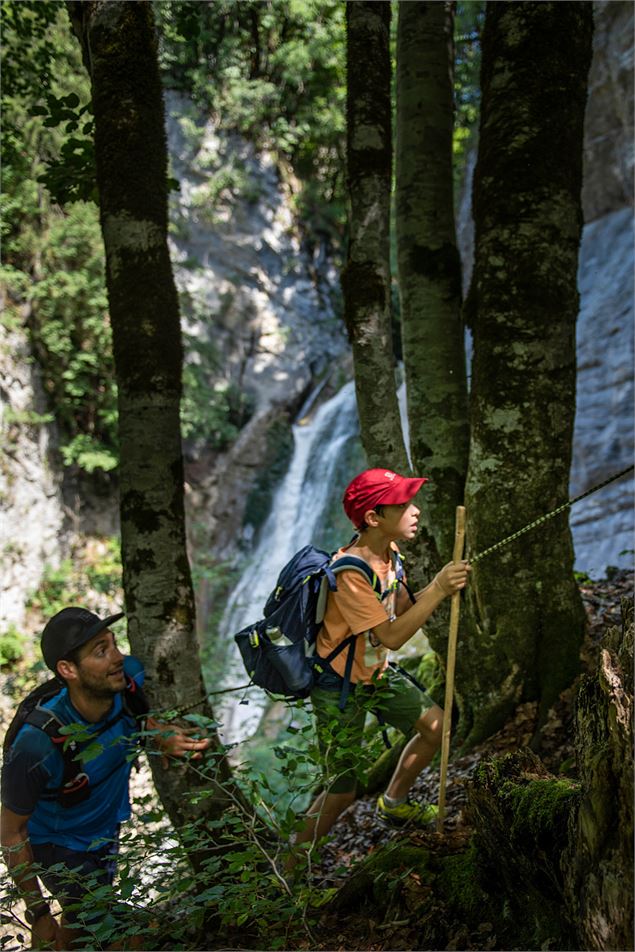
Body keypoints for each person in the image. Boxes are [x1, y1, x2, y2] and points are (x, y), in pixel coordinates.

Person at [1, 607, 211, 950]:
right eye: (101, 651)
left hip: (105, 832)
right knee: (127, 940)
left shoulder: (127, 678)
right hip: (59, 846)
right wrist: (38, 913)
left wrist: (158, 733)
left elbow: (137, 715)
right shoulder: (36, 745)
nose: (118, 658)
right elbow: (10, 830)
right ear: (68, 670)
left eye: (114, 644)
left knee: (76, 923)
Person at [294, 468, 470, 851]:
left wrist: (441, 586)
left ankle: (393, 804)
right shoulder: (350, 572)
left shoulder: (390, 555)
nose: (416, 510)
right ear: (374, 519)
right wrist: (439, 588)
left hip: (375, 673)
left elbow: (402, 609)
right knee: (341, 792)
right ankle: (288, 874)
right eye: (404, 504)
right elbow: (390, 635)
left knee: (437, 727)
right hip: (337, 686)